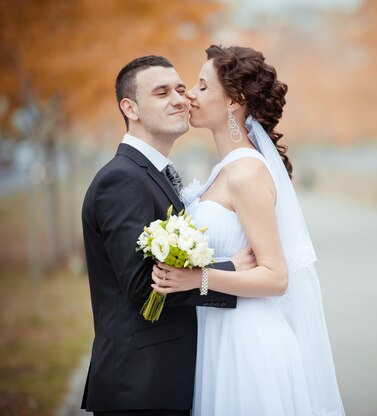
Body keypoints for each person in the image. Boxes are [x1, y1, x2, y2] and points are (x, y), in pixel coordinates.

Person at [151, 45, 345, 416]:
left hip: (247, 343)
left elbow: (276, 277)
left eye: (203, 87)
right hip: (217, 334)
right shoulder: (224, 169)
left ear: (234, 101)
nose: (189, 93)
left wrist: (197, 278)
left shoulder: (247, 172)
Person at [81, 55, 255, 416]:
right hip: (140, 388)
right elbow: (145, 286)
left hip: (161, 381)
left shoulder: (152, 174)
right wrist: (230, 270)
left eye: (180, 88)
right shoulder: (122, 180)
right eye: (161, 92)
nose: (180, 98)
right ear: (130, 108)